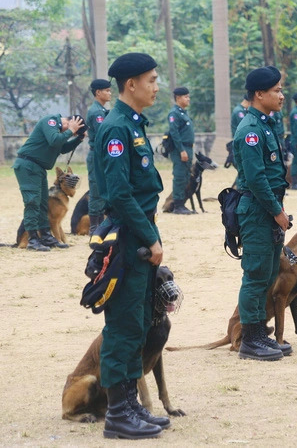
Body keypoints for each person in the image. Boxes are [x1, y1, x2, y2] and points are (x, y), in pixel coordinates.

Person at [95, 52, 169, 439]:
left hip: (140, 235)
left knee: (138, 321)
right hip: (127, 238)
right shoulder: (116, 129)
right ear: (131, 85)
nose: (157, 87)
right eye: (152, 80)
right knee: (122, 326)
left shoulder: (133, 125)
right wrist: (151, 237)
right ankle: (118, 414)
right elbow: (121, 195)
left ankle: (131, 405)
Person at [234, 66, 292, 361]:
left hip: (267, 212)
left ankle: (260, 332)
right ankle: (250, 338)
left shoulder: (265, 125)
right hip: (258, 212)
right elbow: (256, 179)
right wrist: (277, 211)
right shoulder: (251, 130)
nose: (282, 96)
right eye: (276, 91)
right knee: (255, 275)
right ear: (259, 94)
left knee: (268, 273)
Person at [13, 115, 85, 251]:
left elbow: (62, 148)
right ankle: (33, 240)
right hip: (28, 165)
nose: (73, 133)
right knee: (32, 202)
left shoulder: (58, 133)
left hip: (39, 168)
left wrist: (79, 138)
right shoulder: (50, 122)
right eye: (74, 128)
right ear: (69, 121)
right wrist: (70, 130)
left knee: (42, 204)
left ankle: (46, 236)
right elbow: (54, 141)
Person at [85, 79, 112, 235]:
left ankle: (102, 224)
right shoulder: (96, 112)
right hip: (97, 155)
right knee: (96, 190)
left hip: (102, 155)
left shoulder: (102, 110)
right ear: (98, 93)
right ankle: (94, 227)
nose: (109, 93)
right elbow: (104, 134)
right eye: (106, 90)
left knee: (104, 189)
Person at [167, 87, 195, 214]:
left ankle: (182, 204)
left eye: (188, 96)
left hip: (188, 147)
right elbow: (174, 133)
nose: (188, 99)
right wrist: (181, 150)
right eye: (186, 97)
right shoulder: (174, 114)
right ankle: (177, 205)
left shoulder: (184, 113)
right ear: (178, 98)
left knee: (186, 176)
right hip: (181, 149)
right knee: (179, 176)